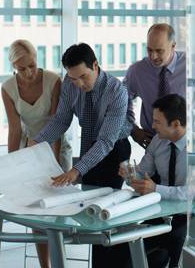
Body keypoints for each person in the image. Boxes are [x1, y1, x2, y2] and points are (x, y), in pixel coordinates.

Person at [32, 43, 131, 267]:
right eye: (73, 78)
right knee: (91, 210)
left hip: (115, 149)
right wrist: (38, 141)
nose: (79, 84)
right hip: (88, 147)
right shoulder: (70, 83)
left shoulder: (117, 91)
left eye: (83, 77)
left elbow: (106, 141)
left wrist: (76, 170)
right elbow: (61, 120)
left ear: (95, 65)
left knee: (107, 210)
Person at [1, 39, 70, 268]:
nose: (29, 72)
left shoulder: (53, 81)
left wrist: (53, 165)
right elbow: (14, 130)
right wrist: (13, 164)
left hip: (56, 146)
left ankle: (60, 259)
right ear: (13, 66)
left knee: (57, 205)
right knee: (37, 210)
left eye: (32, 65)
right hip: (29, 148)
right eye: (22, 68)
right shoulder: (8, 88)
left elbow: (56, 125)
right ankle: (45, 265)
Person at [123, 94, 195, 268]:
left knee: (178, 242)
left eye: (157, 121)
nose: (152, 125)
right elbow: (143, 173)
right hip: (161, 214)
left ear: (176, 124)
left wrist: (156, 189)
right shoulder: (158, 141)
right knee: (129, 244)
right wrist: (131, 176)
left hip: (191, 219)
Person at [125, 23, 195, 149]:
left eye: (159, 51)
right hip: (154, 145)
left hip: (191, 144)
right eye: (149, 50)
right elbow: (120, 101)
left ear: (173, 46)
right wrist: (133, 129)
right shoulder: (137, 71)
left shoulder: (193, 65)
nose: (153, 56)